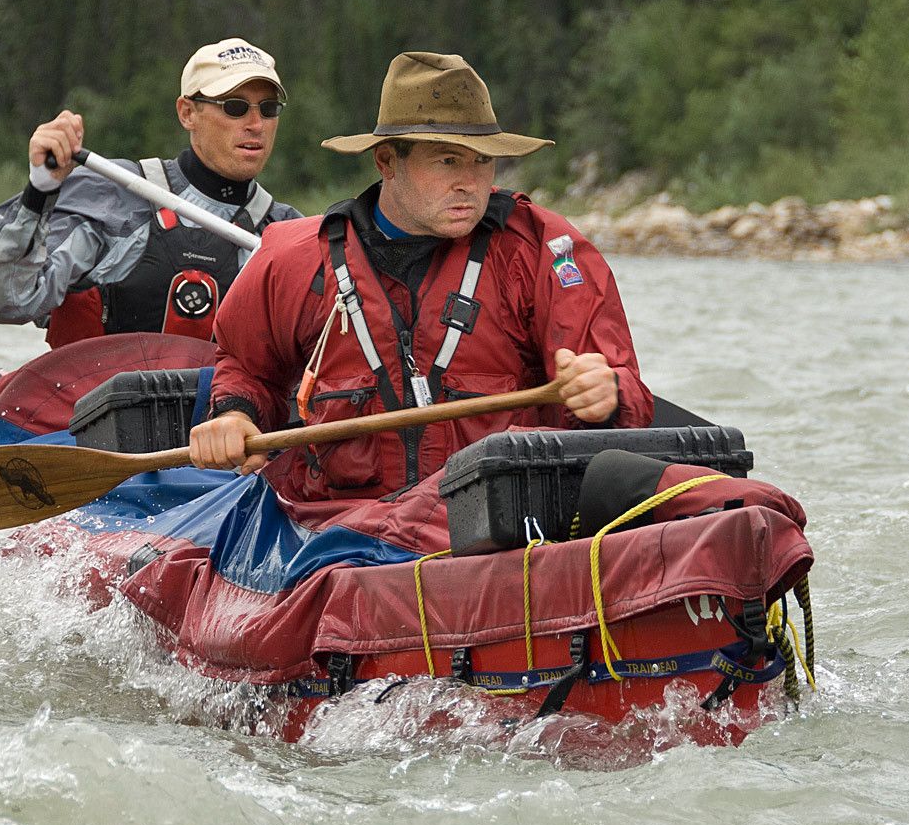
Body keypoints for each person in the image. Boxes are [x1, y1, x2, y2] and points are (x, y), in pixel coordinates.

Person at [188, 51, 654, 502]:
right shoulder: (293, 258)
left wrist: (607, 394)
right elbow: (246, 367)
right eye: (447, 161)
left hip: (498, 529)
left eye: (482, 160)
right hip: (339, 527)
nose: (470, 183)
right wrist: (234, 414)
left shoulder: (541, 248)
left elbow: (620, 381)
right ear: (387, 161)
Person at [0, 38, 305, 347]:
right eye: (235, 107)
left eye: (269, 108)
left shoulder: (288, 232)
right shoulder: (111, 197)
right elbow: (1, 302)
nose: (256, 124)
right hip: (96, 410)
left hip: (231, 413)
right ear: (187, 113)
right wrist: (40, 191)